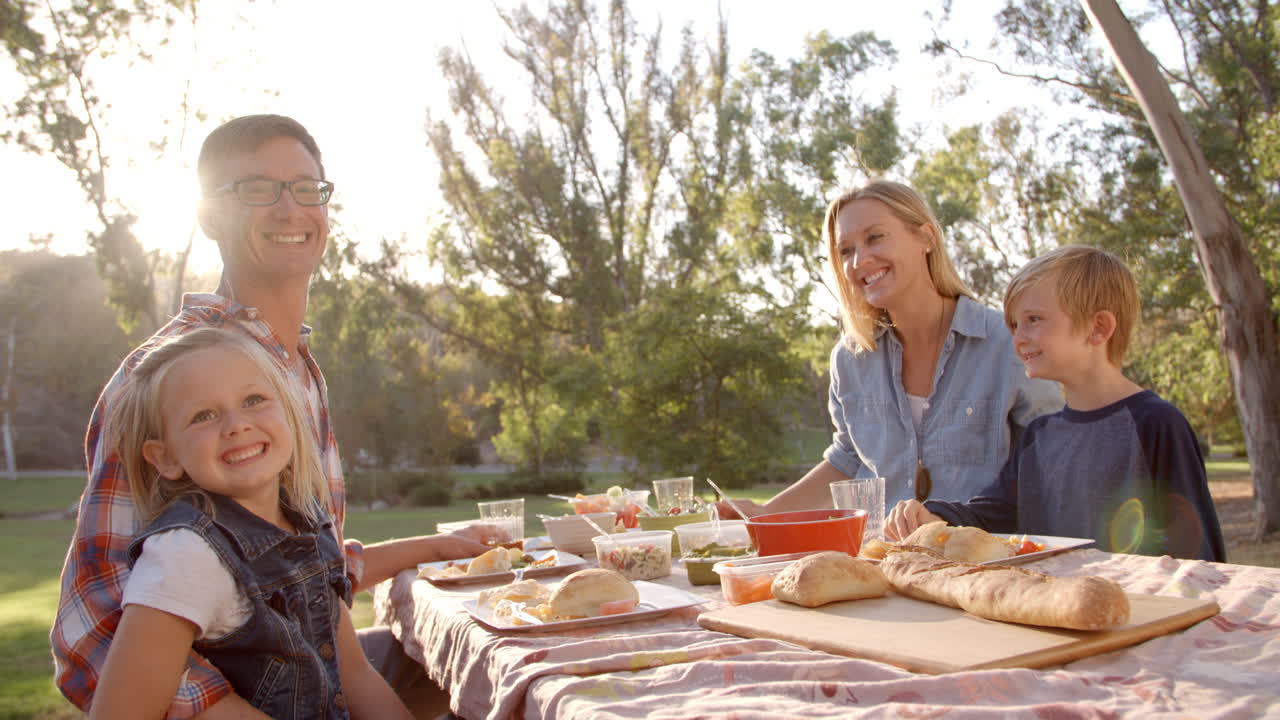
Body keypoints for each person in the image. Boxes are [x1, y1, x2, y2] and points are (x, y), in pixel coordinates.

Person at [52, 114, 495, 717]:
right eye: (257, 190)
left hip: (316, 674)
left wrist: (443, 546)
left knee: (468, 654)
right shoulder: (163, 380)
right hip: (244, 695)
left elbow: (298, 569)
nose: (289, 209)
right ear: (208, 217)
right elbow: (98, 620)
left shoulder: (294, 374)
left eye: (306, 187)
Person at [89, 328, 412, 719]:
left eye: (253, 399)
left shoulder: (308, 524)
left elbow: (355, 674)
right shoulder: (186, 554)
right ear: (166, 457)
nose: (236, 424)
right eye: (203, 416)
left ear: (291, 414)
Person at [721, 181, 1061, 518]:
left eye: (875, 238)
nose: (858, 261)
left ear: (926, 238)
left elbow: (1054, 458)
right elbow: (848, 458)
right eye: (846, 251)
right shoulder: (849, 360)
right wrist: (762, 513)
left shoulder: (1007, 342)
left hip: (983, 560)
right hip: (882, 560)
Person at [884, 245, 1226, 562]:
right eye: (1014, 324)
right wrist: (937, 515)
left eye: (1033, 319)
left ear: (1098, 328)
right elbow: (998, 511)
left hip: (1138, 618)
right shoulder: (1039, 435)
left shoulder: (1156, 424)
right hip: (1054, 614)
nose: (1018, 338)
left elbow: (1199, 552)